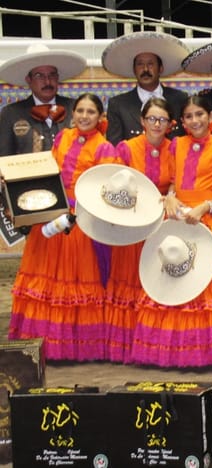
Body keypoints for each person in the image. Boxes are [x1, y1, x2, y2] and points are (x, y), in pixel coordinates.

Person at [130, 94, 212, 367]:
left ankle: (207, 355)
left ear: (211, 117)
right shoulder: (176, 145)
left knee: (202, 283)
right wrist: (170, 197)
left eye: (200, 114)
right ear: (181, 121)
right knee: (174, 278)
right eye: (189, 116)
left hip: (207, 222)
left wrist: (205, 207)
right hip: (177, 220)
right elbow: (173, 182)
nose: (195, 120)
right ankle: (171, 353)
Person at [9, 93, 118, 361]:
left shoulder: (105, 149)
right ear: (72, 113)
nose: (84, 116)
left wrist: (76, 213)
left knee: (74, 284)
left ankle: (73, 348)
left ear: (100, 117)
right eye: (80, 110)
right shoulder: (63, 137)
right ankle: (41, 345)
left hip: (79, 223)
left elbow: (104, 192)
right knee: (45, 281)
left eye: (91, 112)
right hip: (51, 217)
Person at [104, 98, 175, 363]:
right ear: (143, 121)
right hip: (132, 224)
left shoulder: (175, 148)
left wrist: (171, 196)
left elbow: (176, 183)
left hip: (161, 224)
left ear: (170, 124)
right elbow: (115, 183)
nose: (157, 124)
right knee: (130, 280)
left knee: (156, 280)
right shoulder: (126, 148)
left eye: (162, 120)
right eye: (152, 119)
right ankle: (127, 347)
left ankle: (154, 347)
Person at [102, 31, 190, 145]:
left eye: (150, 64)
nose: (145, 69)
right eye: (140, 64)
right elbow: (115, 147)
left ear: (161, 68)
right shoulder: (118, 104)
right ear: (134, 70)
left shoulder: (180, 99)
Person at [0, 44, 86, 155]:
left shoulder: (76, 107)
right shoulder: (12, 113)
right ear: (28, 80)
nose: (47, 81)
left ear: (57, 77)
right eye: (39, 76)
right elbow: (4, 157)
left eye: (52, 75)